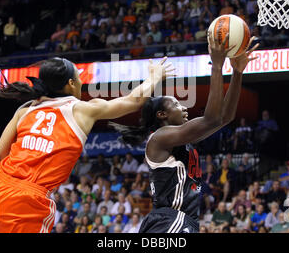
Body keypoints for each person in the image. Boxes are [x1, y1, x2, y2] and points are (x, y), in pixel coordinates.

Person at [0, 57, 174, 233]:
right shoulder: (82, 109)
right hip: (27, 198)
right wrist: (154, 77)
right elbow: (133, 101)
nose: (80, 82)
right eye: (78, 78)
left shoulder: (26, 109)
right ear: (70, 83)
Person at [111, 35, 259, 233]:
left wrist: (237, 72)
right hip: (170, 220)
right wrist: (216, 65)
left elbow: (225, 118)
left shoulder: (181, 140)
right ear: (162, 115)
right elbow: (212, 119)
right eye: (177, 104)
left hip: (180, 221)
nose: (184, 109)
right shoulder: (160, 138)